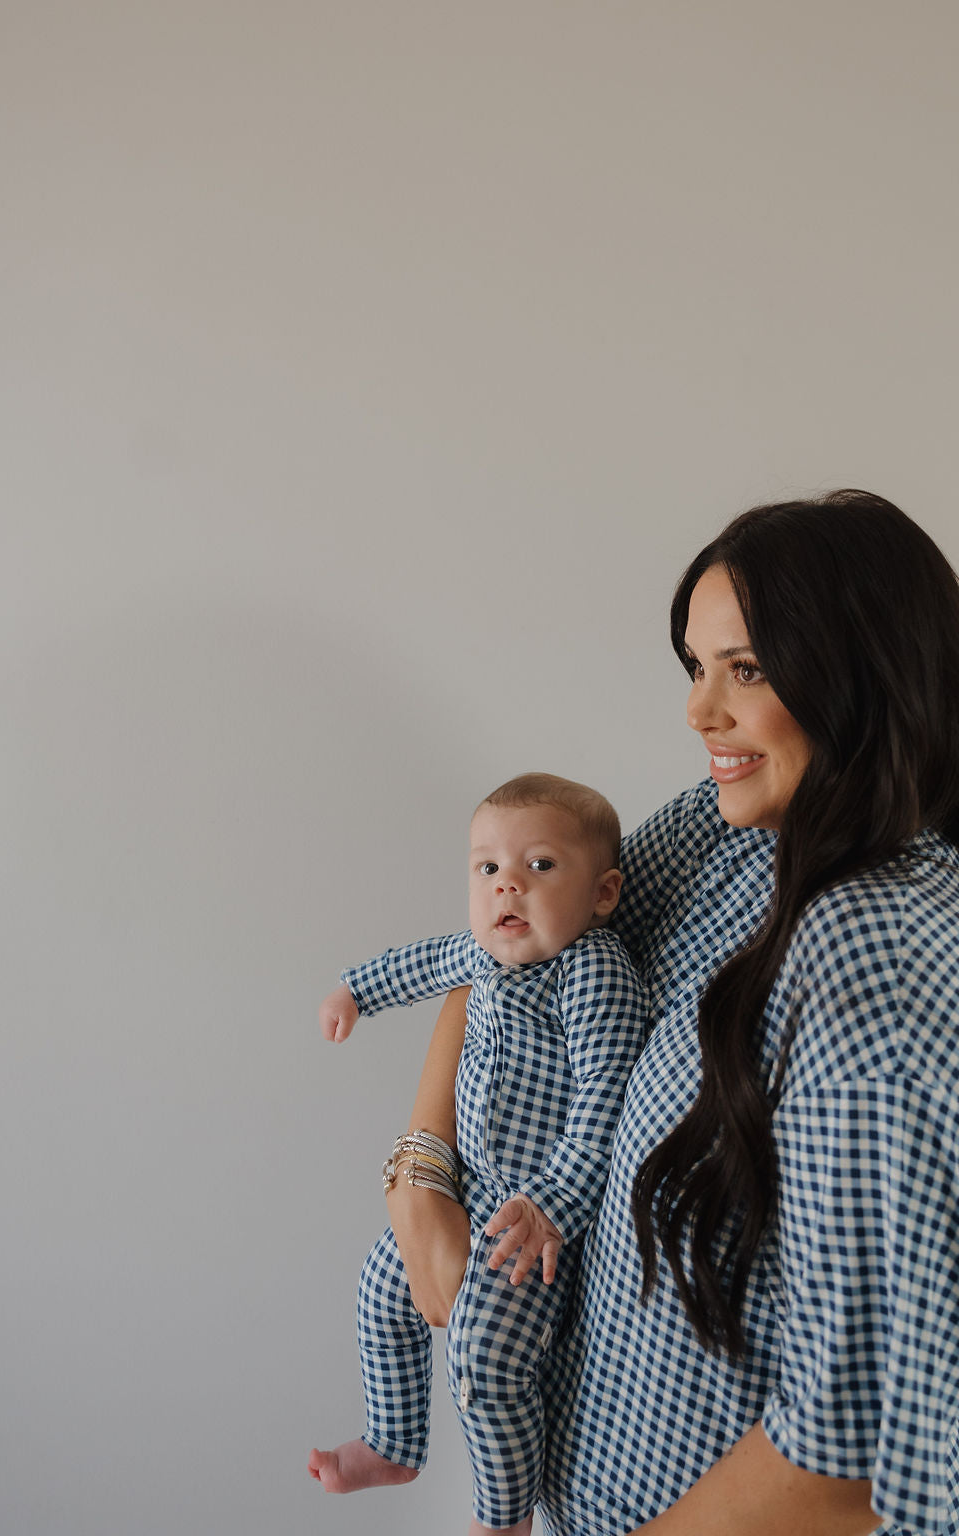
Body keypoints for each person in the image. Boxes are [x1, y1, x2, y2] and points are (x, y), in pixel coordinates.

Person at [386, 491, 959, 1535]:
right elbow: (512, 947)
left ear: (863, 675)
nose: (699, 713)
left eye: (746, 669)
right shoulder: (727, 828)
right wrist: (420, 1172)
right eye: (696, 668)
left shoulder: (879, 971)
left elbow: (854, 1456)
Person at [309, 773, 647, 1536]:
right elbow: (421, 961)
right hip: (470, 1196)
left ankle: (504, 1519)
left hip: (534, 1224)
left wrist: (550, 1206)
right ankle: (393, 1440)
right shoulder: (482, 955)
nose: (509, 886)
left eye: (541, 866)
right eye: (488, 868)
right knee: (378, 1287)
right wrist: (354, 992)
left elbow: (604, 1107)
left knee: (483, 1356)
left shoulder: (592, 973)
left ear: (602, 893)